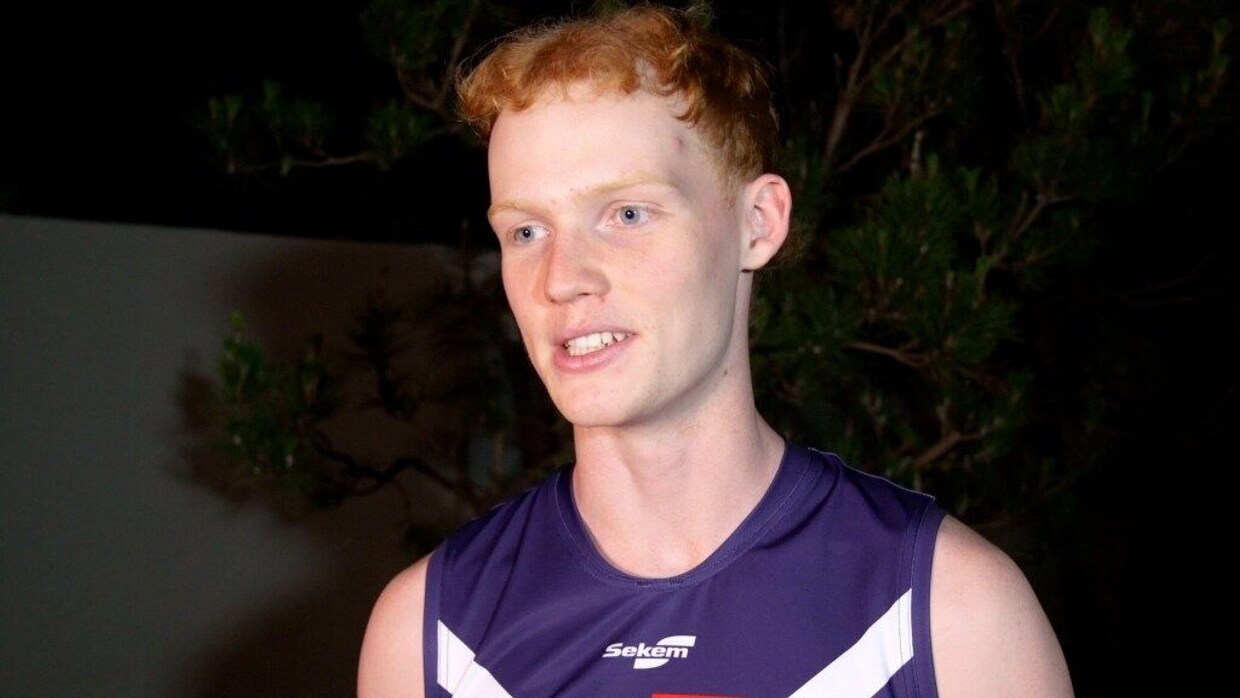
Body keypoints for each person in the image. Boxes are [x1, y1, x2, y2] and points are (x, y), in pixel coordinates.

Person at [358, 3, 1074, 697]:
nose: (561, 279)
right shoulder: (431, 638)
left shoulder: (946, 615)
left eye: (627, 213)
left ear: (757, 222)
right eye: (526, 231)